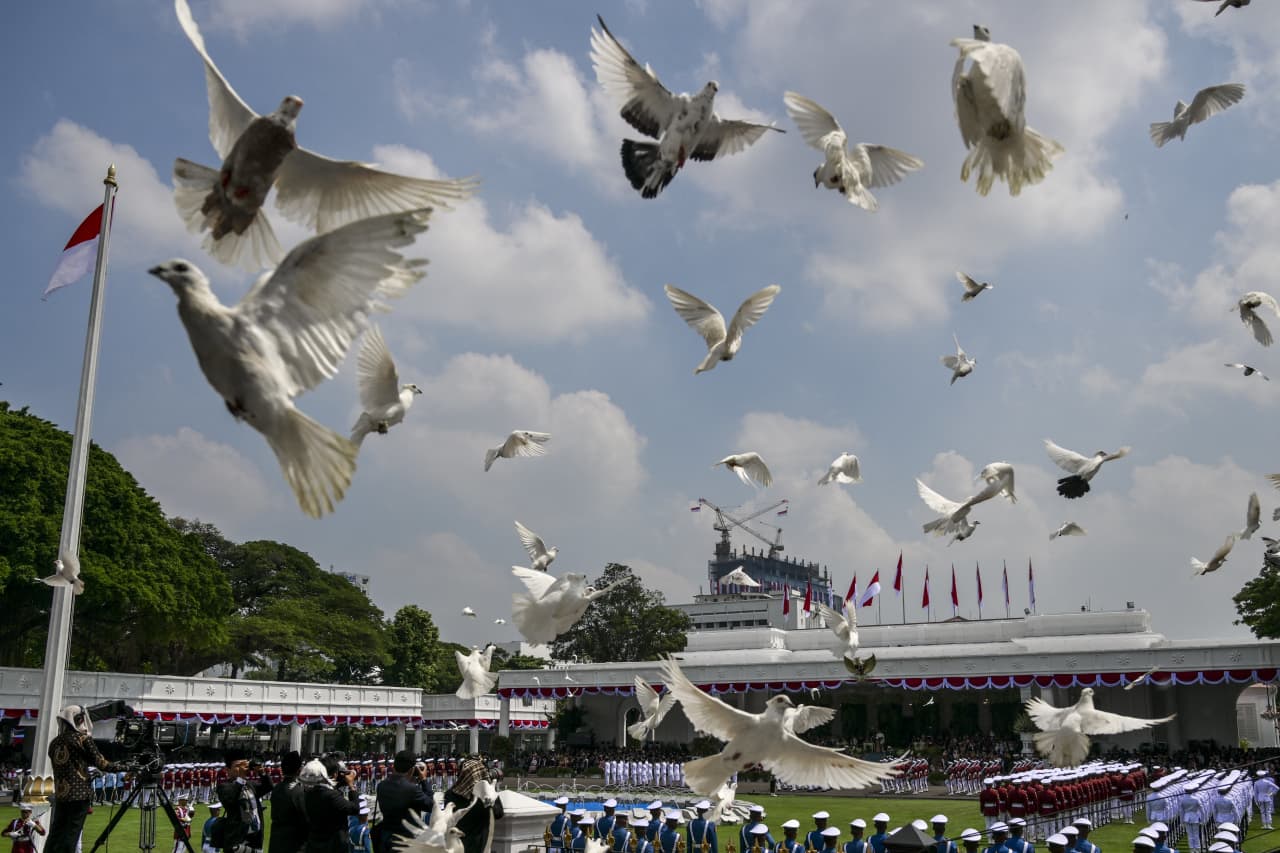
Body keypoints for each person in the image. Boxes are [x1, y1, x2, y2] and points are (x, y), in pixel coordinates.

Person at [46, 704, 125, 853]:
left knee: (57, 833)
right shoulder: (82, 739)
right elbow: (102, 764)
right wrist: (127, 766)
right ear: (79, 719)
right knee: (72, 834)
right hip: (80, 793)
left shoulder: (55, 742)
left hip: (62, 793)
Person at [376, 751, 433, 853]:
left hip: (386, 837)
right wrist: (424, 780)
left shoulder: (382, 785)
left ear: (394, 766)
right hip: (407, 840)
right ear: (412, 770)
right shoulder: (411, 789)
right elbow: (430, 805)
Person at [443, 757, 504, 853]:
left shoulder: (450, 794)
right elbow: (499, 813)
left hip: (456, 846)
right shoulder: (486, 792)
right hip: (479, 846)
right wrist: (489, 801)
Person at [217, 750, 273, 853]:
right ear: (227, 770)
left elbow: (268, 787)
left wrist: (262, 772)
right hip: (238, 841)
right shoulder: (224, 786)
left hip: (255, 839)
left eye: (245, 765)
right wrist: (241, 779)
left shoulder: (250, 784)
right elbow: (230, 801)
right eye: (238, 766)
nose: (243, 768)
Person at [302, 757, 361, 853]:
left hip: (314, 843)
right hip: (333, 845)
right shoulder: (331, 795)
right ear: (335, 774)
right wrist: (351, 786)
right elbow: (354, 808)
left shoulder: (310, 793)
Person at [267, 751, 308, 853]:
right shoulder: (299, 791)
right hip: (294, 843)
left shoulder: (277, 788)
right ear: (299, 770)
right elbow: (306, 819)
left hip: (276, 841)